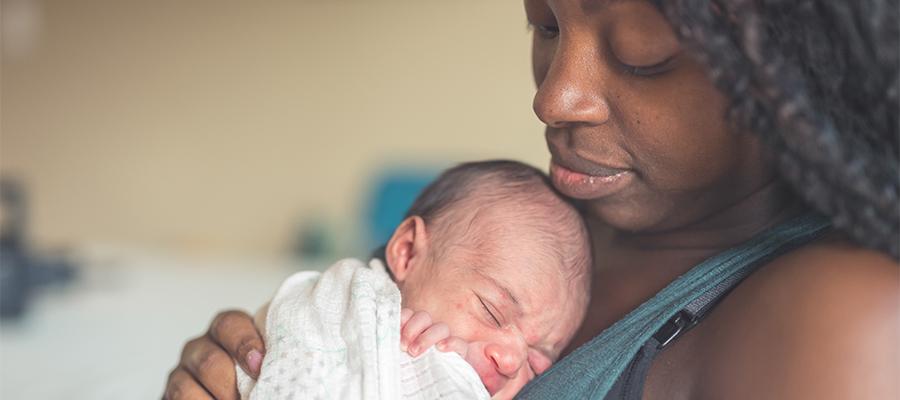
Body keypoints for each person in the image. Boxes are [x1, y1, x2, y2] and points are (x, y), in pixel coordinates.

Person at [163, 1, 899, 399]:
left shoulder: (846, 322)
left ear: (798, 73)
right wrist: (241, 366)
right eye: (544, 24)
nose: (553, 98)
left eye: (642, 53)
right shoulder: (520, 223)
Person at [235, 160, 591, 400]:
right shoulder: (353, 307)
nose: (512, 361)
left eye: (539, 362)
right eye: (492, 312)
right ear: (407, 252)